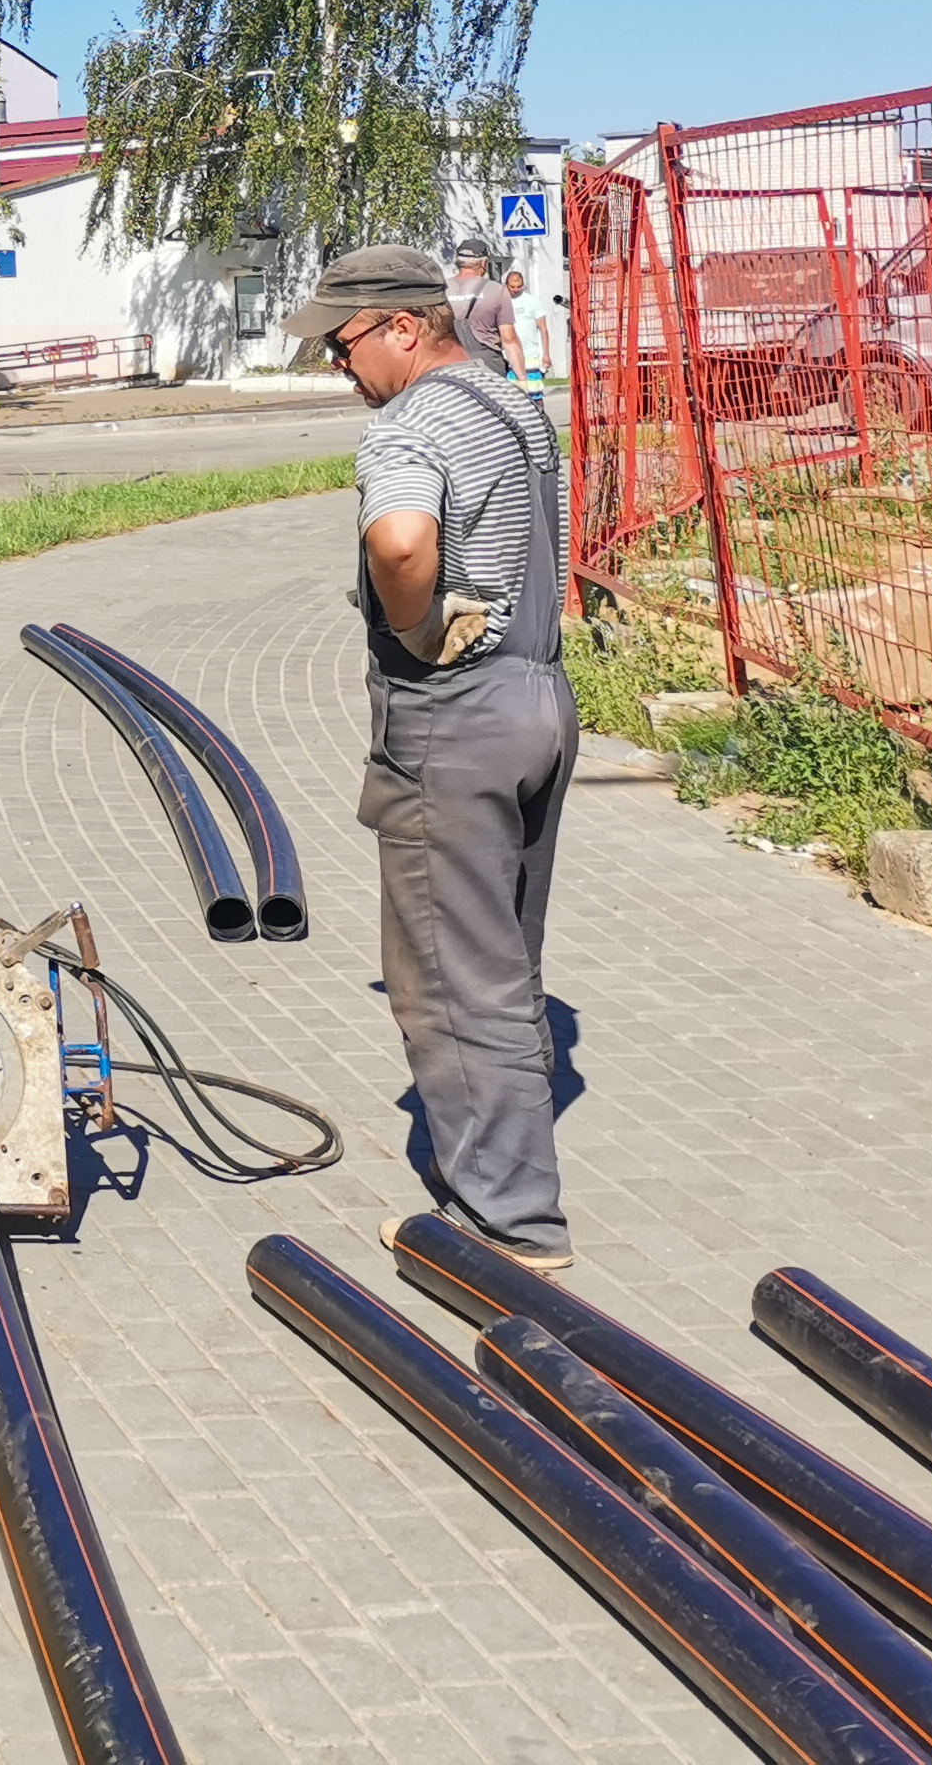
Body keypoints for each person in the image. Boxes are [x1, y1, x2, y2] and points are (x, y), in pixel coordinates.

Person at [283, 244, 580, 1270]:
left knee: (453, 979)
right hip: (539, 699)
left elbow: (402, 543)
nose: (338, 367)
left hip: (453, 718)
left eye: (343, 344)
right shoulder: (510, 403)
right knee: (506, 961)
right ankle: (509, 1168)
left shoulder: (410, 422)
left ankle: (507, 1226)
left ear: (405, 327)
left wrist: (412, 628)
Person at [447, 238, 517, 373]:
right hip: (487, 364)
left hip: (452, 363)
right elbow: (509, 339)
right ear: (484, 263)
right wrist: (521, 377)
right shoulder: (496, 290)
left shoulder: (442, 289)